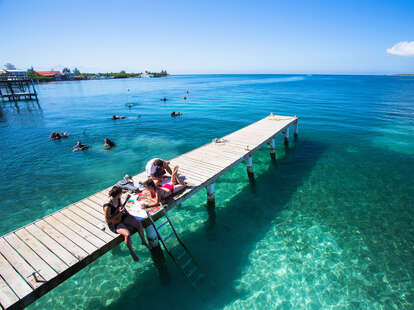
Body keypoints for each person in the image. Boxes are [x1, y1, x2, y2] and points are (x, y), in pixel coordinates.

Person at [103, 186, 150, 261]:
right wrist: (119, 214)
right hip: (114, 223)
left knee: (138, 223)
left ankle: (143, 241)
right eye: (121, 193)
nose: (121, 194)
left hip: (121, 216)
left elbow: (122, 207)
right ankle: (132, 252)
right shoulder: (107, 205)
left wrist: (128, 214)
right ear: (118, 194)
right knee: (127, 234)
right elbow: (108, 220)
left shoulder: (118, 199)